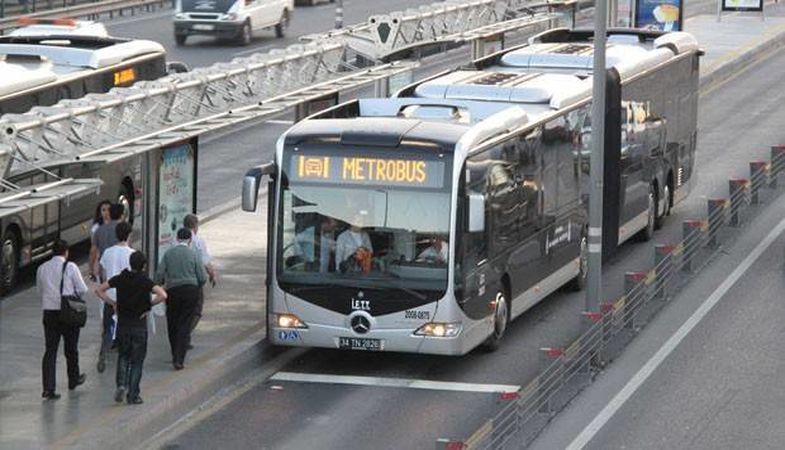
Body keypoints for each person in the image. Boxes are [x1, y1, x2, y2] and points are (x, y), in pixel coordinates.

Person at [95, 252, 167, 405]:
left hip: (123, 326)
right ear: (144, 265)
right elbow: (163, 295)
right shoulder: (145, 281)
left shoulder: (121, 278)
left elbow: (99, 290)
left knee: (123, 357)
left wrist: (112, 303)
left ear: (130, 263)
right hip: (139, 327)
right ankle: (133, 395)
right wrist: (149, 306)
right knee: (137, 361)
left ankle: (121, 384)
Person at [37, 240, 88, 400]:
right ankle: (73, 379)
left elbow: (40, 290)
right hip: (68, 312)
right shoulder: (71, 267)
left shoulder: (42, 268)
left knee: (50, 350)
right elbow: (83, 289)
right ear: (66, 252)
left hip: (49, 312)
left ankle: (48, 388)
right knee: (71, 347)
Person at [156, 228, 207, 370]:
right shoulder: (193, 254)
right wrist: (197, 286)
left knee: (172, 322)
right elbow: (202, 277)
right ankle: (180, 358)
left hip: (173, 291)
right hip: (190, 291)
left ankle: (174, 353)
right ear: (190, 240)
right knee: (185, 323)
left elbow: (159, 273)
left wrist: (159, 284)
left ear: (177, 238)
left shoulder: (168, 254)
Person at [93, 203, 125, 373]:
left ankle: (104, 349)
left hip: (107, 280)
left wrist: (94, 271)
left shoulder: (99, 231)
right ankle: (118, 344)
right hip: (122, 282)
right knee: (123, 316)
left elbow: (95, 252)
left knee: (107, 317)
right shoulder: (122, 230)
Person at [183, 214, 216, 347]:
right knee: (196, 310)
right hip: (194, 282)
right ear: (195, 226)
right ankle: (185, 333)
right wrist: (212, 275)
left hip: (176, 282)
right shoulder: (198, 241)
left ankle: (183, 335)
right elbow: (205, 262)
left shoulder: (175, 240)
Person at [88, 200, 112, 282]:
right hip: (102, 263)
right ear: (100, 212)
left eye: (108, 209)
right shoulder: (96, 228)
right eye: (103, 210)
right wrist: (91, 268)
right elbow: (93, 250)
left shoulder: (118, 225)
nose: (106, 212)